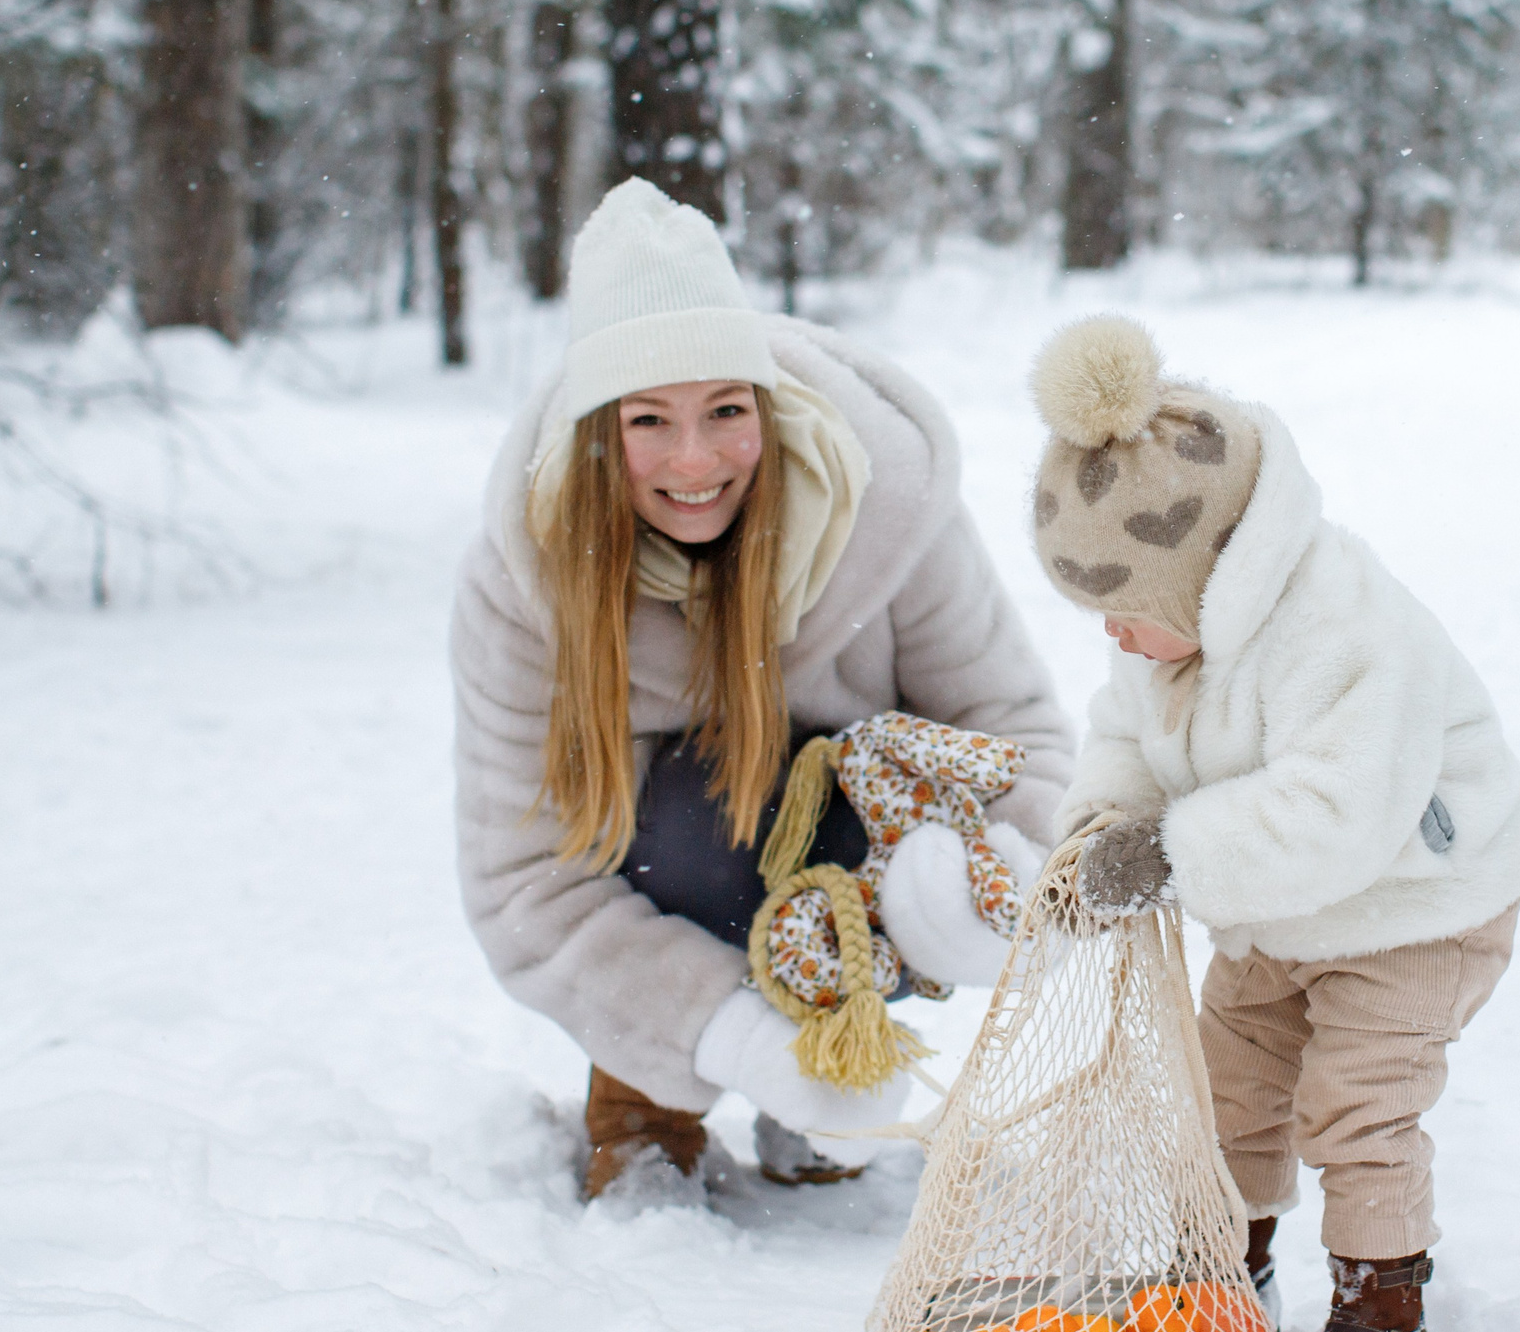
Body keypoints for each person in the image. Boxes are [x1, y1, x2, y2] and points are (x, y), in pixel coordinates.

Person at [452, 179, 1073, 1198]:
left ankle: (846, 1044)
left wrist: (977, 890)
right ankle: (647, 1093)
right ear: (599, 432)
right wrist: (739, 1037)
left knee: (868, 794)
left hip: (845, 862)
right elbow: (523, 883)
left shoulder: (884, 509)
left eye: (726, 411)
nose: (694, 460)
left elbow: (1012, 731)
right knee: (695, 810)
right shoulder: (524, 588)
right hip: (669, 856)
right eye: (649, 420)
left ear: (765, 402)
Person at [1028, 315, 1520, 1332]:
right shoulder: (1171, 637)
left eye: (1124, 608)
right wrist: (1100, 828)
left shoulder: (1346, 629)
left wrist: (1167, 854)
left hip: (1415, 906)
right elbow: (1126, 739)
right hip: (1279, 911)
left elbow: (1336, 812)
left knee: (1355, 1107)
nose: (1111, 634)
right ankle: (1226, 1277)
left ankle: (1385, 1321)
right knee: (1226, 1091)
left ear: (1205, 578)